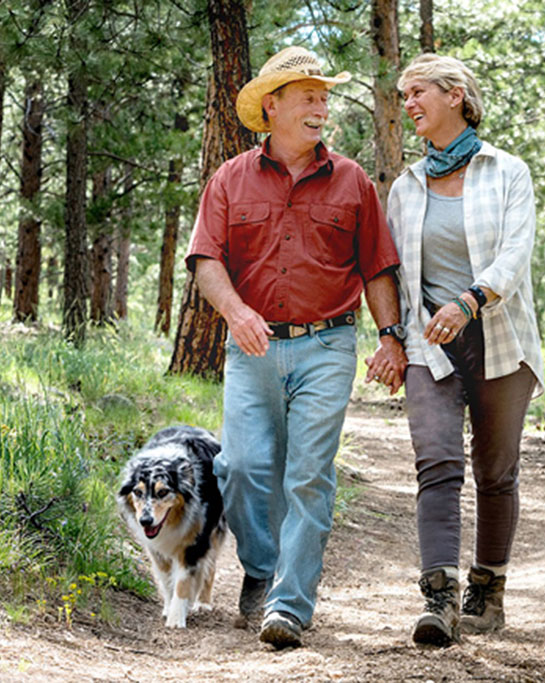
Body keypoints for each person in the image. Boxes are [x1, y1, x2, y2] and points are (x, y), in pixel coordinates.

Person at [185, 46, 407, 649]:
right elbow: (207, 261)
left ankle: (288, 602)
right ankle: (261, 568)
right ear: (272, 106)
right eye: (307, 95)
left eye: (323, 96)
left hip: (326, 345)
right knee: (242, 468)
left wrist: (391, 338)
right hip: (251, 349)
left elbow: (378, 266)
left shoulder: (353, 181)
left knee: (308, 475)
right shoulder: (230, 178)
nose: (319, 106)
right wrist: (235, 311)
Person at [387, 53, 544, 647]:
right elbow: (397, 276)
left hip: (498, 336)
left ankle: (489, 589)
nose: (409, 105)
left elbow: (515, 254)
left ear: (455, 95)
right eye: (404, 96)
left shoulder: (506, 171)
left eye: (418, 92)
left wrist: (470, 301)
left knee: (496, 471)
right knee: (436, 461)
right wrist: (394, 340)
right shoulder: (405, 187)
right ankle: (439, 598)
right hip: (431, 343)